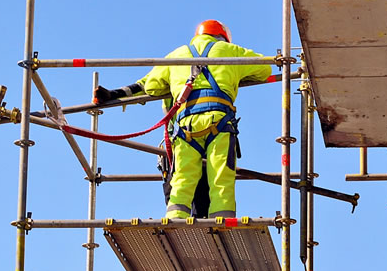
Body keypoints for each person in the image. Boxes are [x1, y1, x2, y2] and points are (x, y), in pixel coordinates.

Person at [93, 20, 272, 218]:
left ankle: (175, 218)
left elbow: (150, 86)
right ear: (223, 37)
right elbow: (265, 69)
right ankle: (222, 220)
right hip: (220, 123)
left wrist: (114, 94)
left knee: (182, 179)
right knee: (221, 178)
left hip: (186, 126)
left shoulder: (176, 55)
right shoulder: (232, 51)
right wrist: (235, 76)